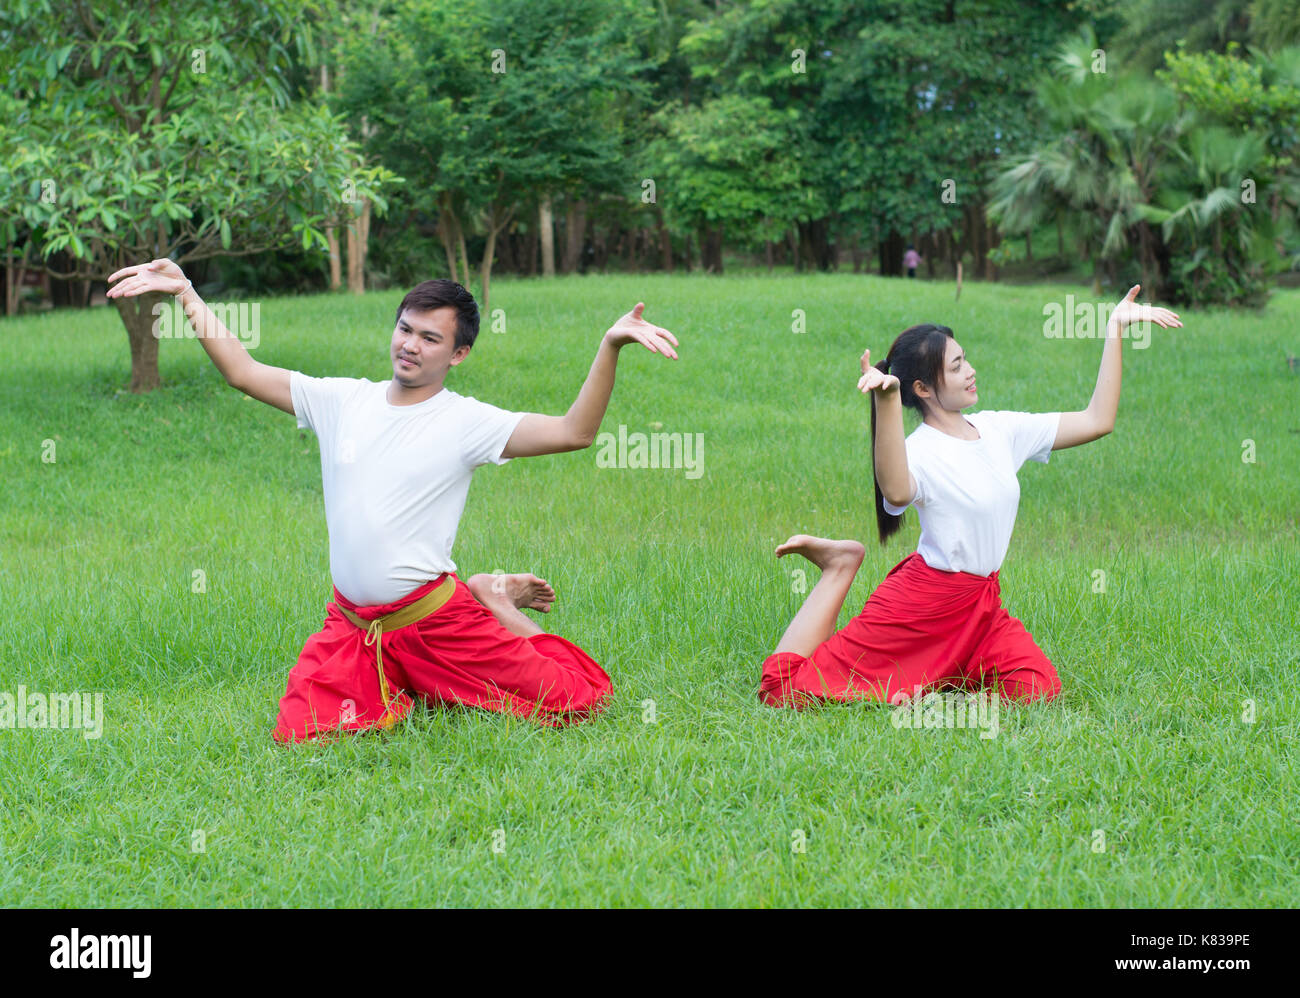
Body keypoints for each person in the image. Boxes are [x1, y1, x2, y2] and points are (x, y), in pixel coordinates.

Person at [106, 258, 679, 742]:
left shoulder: (466, 421)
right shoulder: (340, 401)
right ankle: (432, 649)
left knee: (576, 700)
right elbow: (242, 370)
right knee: (301, 733)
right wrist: (186, 291)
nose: (410, 346)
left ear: (458, 355)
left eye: (431, 338)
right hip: (354, 627)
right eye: (406, 329)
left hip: (435, 620)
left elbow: (573, 432)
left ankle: (492, 599)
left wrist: (610, 346)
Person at [760, 285, 1181, 709]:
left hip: (980, 608)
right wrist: (887, 399)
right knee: (784, 691)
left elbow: (1097, 420)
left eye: (966, 360)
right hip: (922, 608)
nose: (971, 371)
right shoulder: (919, 452)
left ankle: (934, 688)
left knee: (1038, 688)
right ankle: (840, 566)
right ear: (923, 389)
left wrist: (1114, 329)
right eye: (957, 366)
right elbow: (896, 489)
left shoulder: (1000, 430)